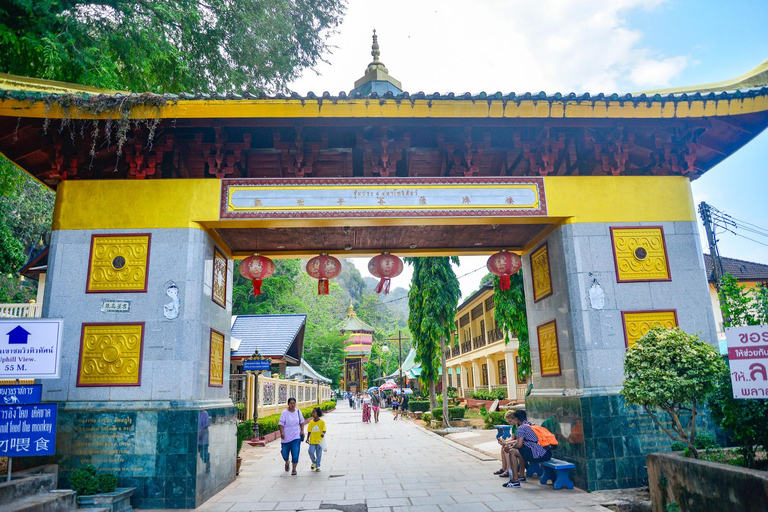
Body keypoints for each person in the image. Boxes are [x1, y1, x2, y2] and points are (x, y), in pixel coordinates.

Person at [503, 410, 554, 489]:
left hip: (538, 454)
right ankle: (521, 475)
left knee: (512, 452)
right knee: (521, 451)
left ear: (516, 419)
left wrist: (509, 447)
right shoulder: (531, 425)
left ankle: (515, 481)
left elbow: (519, 444)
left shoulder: (521, 428)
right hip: (546, 453)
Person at [495, 410, 526, 482]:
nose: (509, 423)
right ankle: (504, 468)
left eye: (510, 421)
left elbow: (519, 442)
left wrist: (507, 444)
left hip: (524, 448)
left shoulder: (521, 427)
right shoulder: (516, 427)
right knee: (505, 447)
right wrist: (505, 442)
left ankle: (509, 471)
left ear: (516, 419)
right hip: (524, 446)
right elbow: (513, 438)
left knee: (509, 449)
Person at [278, 397, 305, 476]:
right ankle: (287, 462)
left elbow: (302, 422)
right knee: (284, 452)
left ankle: (294, 469)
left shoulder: (298, 412)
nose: (292, 405)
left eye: (294, 403)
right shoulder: (284, 413)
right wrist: (281, 432)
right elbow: (281, 424)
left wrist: (302, 430)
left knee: (295, 452)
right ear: (288, 404)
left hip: (296, 435)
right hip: (286, 436)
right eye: (291, 403)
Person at [305, 407, 326, 472]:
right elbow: (309, 431)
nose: (312, 414)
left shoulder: (322, 422)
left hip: (319, 441)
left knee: (318, 454)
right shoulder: (311, 422)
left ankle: (318, 465)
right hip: (312, 441)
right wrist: (307, 438)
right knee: (310, 451)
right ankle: (314, 462)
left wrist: (323, 434)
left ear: (318, 414)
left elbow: (324, 430)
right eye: (312, 412)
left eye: (314, 412)